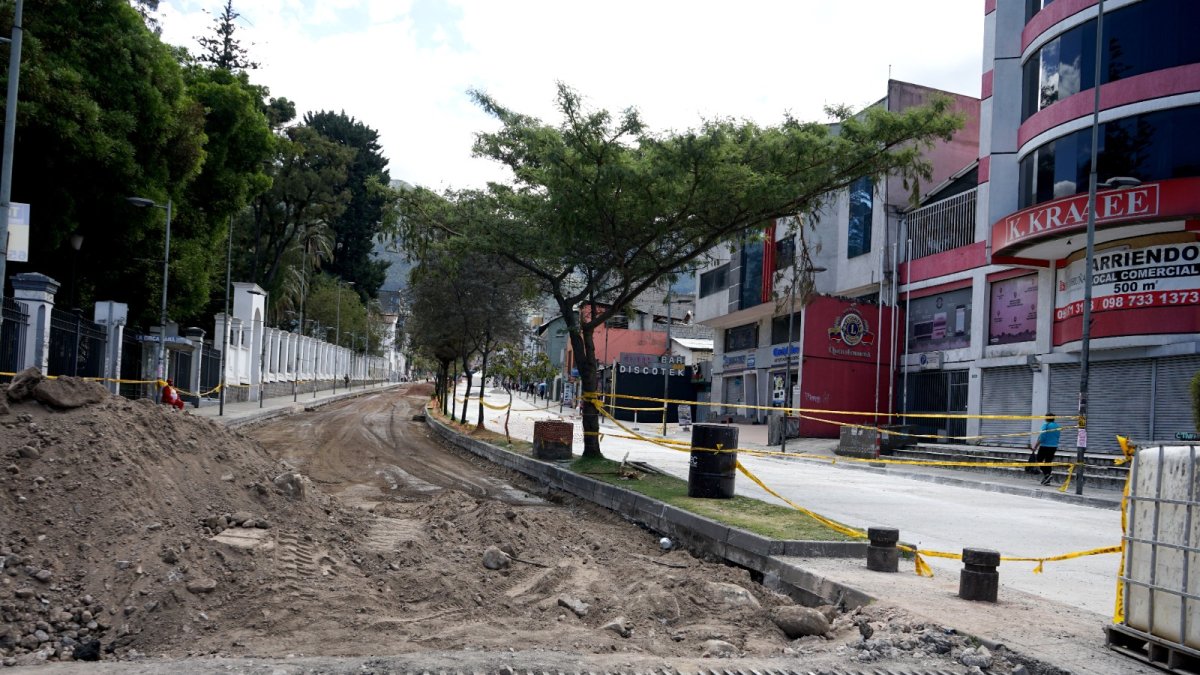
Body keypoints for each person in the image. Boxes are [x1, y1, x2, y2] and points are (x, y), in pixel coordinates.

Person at [1032, 414, 1061, 485]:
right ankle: (1047, 480)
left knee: (1039, 460)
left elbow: (1042, 437)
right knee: (1048, 462)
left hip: (1045, 446)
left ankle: (1047, 475)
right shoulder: (1058, 426)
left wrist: (1035, 446)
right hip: (1054, 446)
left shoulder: (1046, 425)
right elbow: (1057, 436)